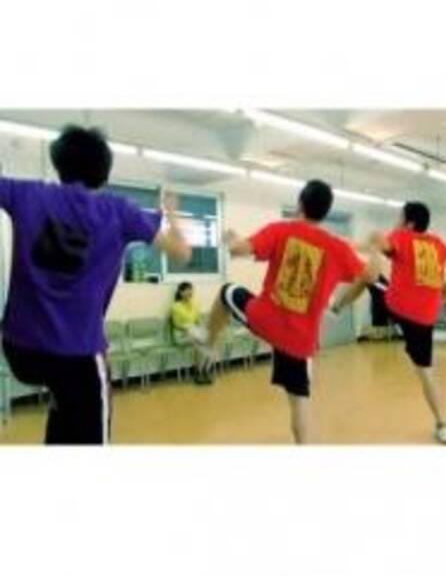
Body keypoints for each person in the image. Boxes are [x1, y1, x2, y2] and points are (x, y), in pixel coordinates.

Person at [0, 125, 191, 444]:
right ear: (104, 173)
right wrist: (171, 214)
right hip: (76, 354)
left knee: (64, 408)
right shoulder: (119, 211)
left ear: (59, 164)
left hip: (21, 350)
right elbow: (182, 253)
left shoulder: (28, 194)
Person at [202, 179, 377, 444]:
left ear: (300, 203)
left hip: (266, 321)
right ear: (325, 212)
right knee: (299, 402)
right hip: (299, 341)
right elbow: (371, 276)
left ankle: (208, 343)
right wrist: (374, 250)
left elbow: (238, 250)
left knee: (227, 292)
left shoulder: (281, 230)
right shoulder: (337, 248)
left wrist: (231, 238)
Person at [340, 201, 446, 445]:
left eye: (399, 217)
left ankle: (336, 308)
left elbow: (376, 245)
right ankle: (444, 425)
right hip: (426, 317)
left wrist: (362, 241)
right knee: (426, 372)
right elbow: (438, 260)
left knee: (368, 276)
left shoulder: (401, 236)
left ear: (409, 223)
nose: (396, 221)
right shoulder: (439, 245)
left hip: (399, 306)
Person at [170, 282, 213, 383]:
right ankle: (199, 372)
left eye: (191, 290)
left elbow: (198, 320)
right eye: (187, 290)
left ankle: (203, 370)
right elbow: (177, 324)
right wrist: (190, 327)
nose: (190, 292)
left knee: (206, 343)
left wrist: (202, 327)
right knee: (199, 339)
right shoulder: (175, 306)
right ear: (180, 292)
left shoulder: (195, 304)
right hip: (181, 335)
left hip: (194, 334)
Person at [364, 274, 391, 340]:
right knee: (376, 314)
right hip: (378, 300)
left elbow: (386, 288)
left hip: (382, 301)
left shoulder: (377, 278)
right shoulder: (370, 278)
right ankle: (379, 334)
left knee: (379, 314)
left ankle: (381, 334)